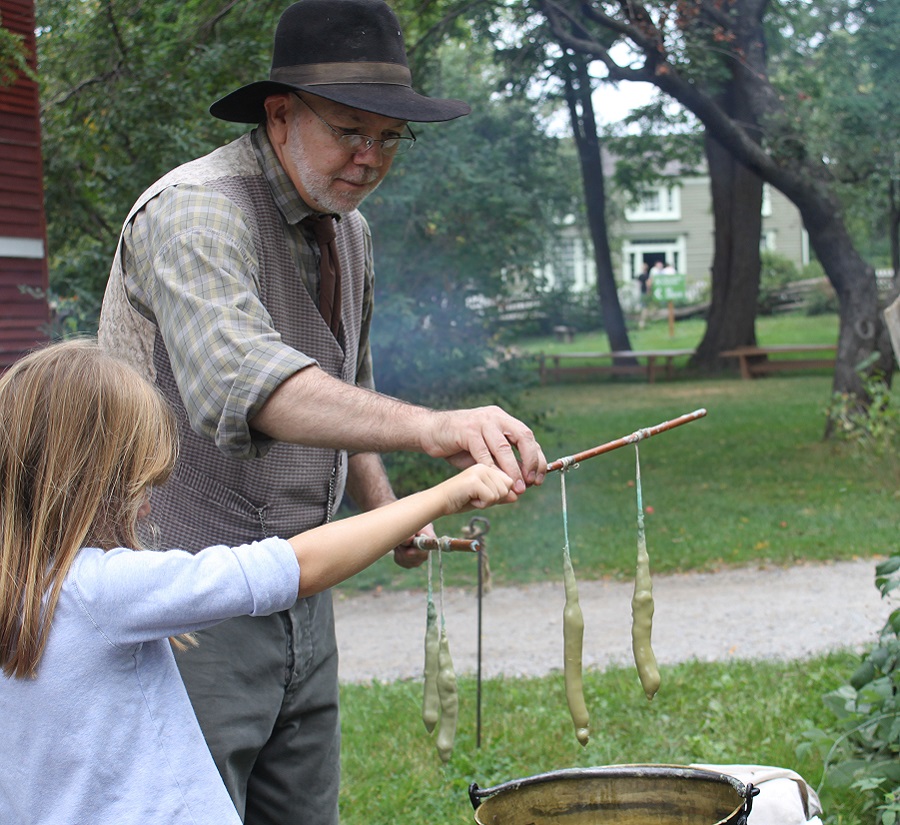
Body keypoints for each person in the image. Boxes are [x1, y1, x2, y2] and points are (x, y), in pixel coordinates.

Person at [97, 0, 546, 822]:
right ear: (279, 113)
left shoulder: (351, 230)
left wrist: (384, 505)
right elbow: (251, 384)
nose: (369, 157)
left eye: (389, 138)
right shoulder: (194, 213)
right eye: (349, 130)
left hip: (302, 591)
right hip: (180, 596)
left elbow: (348, 379)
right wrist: (435, 428)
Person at [0, 339, 519, 825]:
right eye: (139, 483)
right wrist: (443, 496)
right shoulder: (98, 590)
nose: (150, 504)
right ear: (93, 482)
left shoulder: (23, 594)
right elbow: (294, 567)